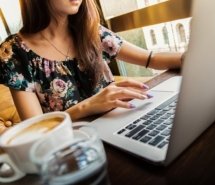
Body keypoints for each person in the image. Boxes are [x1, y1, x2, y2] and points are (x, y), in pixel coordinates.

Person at [0, 0, 183, 122]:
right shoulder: (14, 52)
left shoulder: (91, 31)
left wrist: (193, 56)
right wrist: (88, 106)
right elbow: (36, 129)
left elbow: (150, 58)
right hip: (71, 150)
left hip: (119, 124)